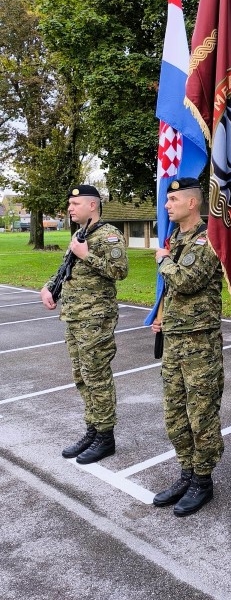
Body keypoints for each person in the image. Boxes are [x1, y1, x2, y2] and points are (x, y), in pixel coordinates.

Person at [150, 177, 224, 517]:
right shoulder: (176, 238)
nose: (166, 205)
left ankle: (203, 480)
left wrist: (163, 260)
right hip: (175, 338)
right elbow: (173, 290)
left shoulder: (208, 238)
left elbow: (187, 280)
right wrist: (162, 315)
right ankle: (186, 471)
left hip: (200, 341)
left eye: (172, 199)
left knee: (201, 413)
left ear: (192, 203)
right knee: (175, 413)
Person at [41, 185, 128, 464]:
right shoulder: (81, 235)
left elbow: (120, 271)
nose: (70, 208)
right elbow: (66, 268)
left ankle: (105, 437)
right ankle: (92, 429)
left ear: (93, 205)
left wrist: (85, 254)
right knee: (81, 377)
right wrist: (49, 286)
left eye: (76, 203)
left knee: (97, 376)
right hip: (75, 317)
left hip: (96, 319)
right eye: (70, 203)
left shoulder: (108, 235)